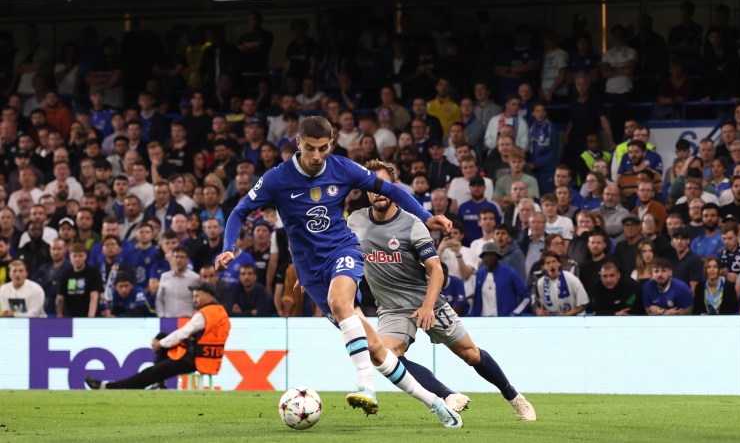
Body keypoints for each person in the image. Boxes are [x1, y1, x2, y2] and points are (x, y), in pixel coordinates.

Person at [215, 116, 461, 427]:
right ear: (298, 144)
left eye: (322, 148)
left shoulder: (343, 168)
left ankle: (365, 386)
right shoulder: (278, 178)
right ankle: (435, 403)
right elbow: (239, 211)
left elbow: (390, 190)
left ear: (331, 144)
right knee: (373, 347)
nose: (317, 156)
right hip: (310, 272)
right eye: (310, 149)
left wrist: (425, 216)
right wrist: (228, 245)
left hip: (342, 252)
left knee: (340, 303)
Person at [351, 160, 536, 420]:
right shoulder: (356, 221)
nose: (377, 192)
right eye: (372, 186)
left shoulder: (412, 224)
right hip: (392, 309)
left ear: (394, 188)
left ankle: (514, 396)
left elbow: (436, 270)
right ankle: (448, 395)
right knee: (384, 356)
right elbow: (340, 254)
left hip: (428, 302)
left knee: (471, 354)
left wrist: (427, 306)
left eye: (382, 186)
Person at [85, 283, 230, 389]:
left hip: (194, 359)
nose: (194, 300)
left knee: (150, 373)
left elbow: (182, 333)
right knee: (162, 337)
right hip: (210, 358)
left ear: (208, 295)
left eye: (197, 296)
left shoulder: (205, 314)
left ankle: (109, 387)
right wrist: (163, 341)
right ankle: (159, 384)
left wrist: (160, 344)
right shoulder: (220, 312)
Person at [534, 251, 589, 316]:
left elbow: (584, 303)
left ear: (559, 263)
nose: (551, 265)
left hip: (573, 318)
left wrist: (566, 315)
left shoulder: (571, 278)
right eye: (548, 263)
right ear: (544, 267)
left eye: (554, 261)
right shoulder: (541, 283)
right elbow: (544, 305)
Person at [56, 243, 102, 318]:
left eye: (80, 256)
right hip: (70, 316)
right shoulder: (65, 274)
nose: (77, 259)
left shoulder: (94, 273)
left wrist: (90, 318)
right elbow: (60, 297)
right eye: (74, 256)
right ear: (70, 257)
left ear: (86, 256)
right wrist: (59, 315)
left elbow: (94, 296)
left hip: (88, 315)